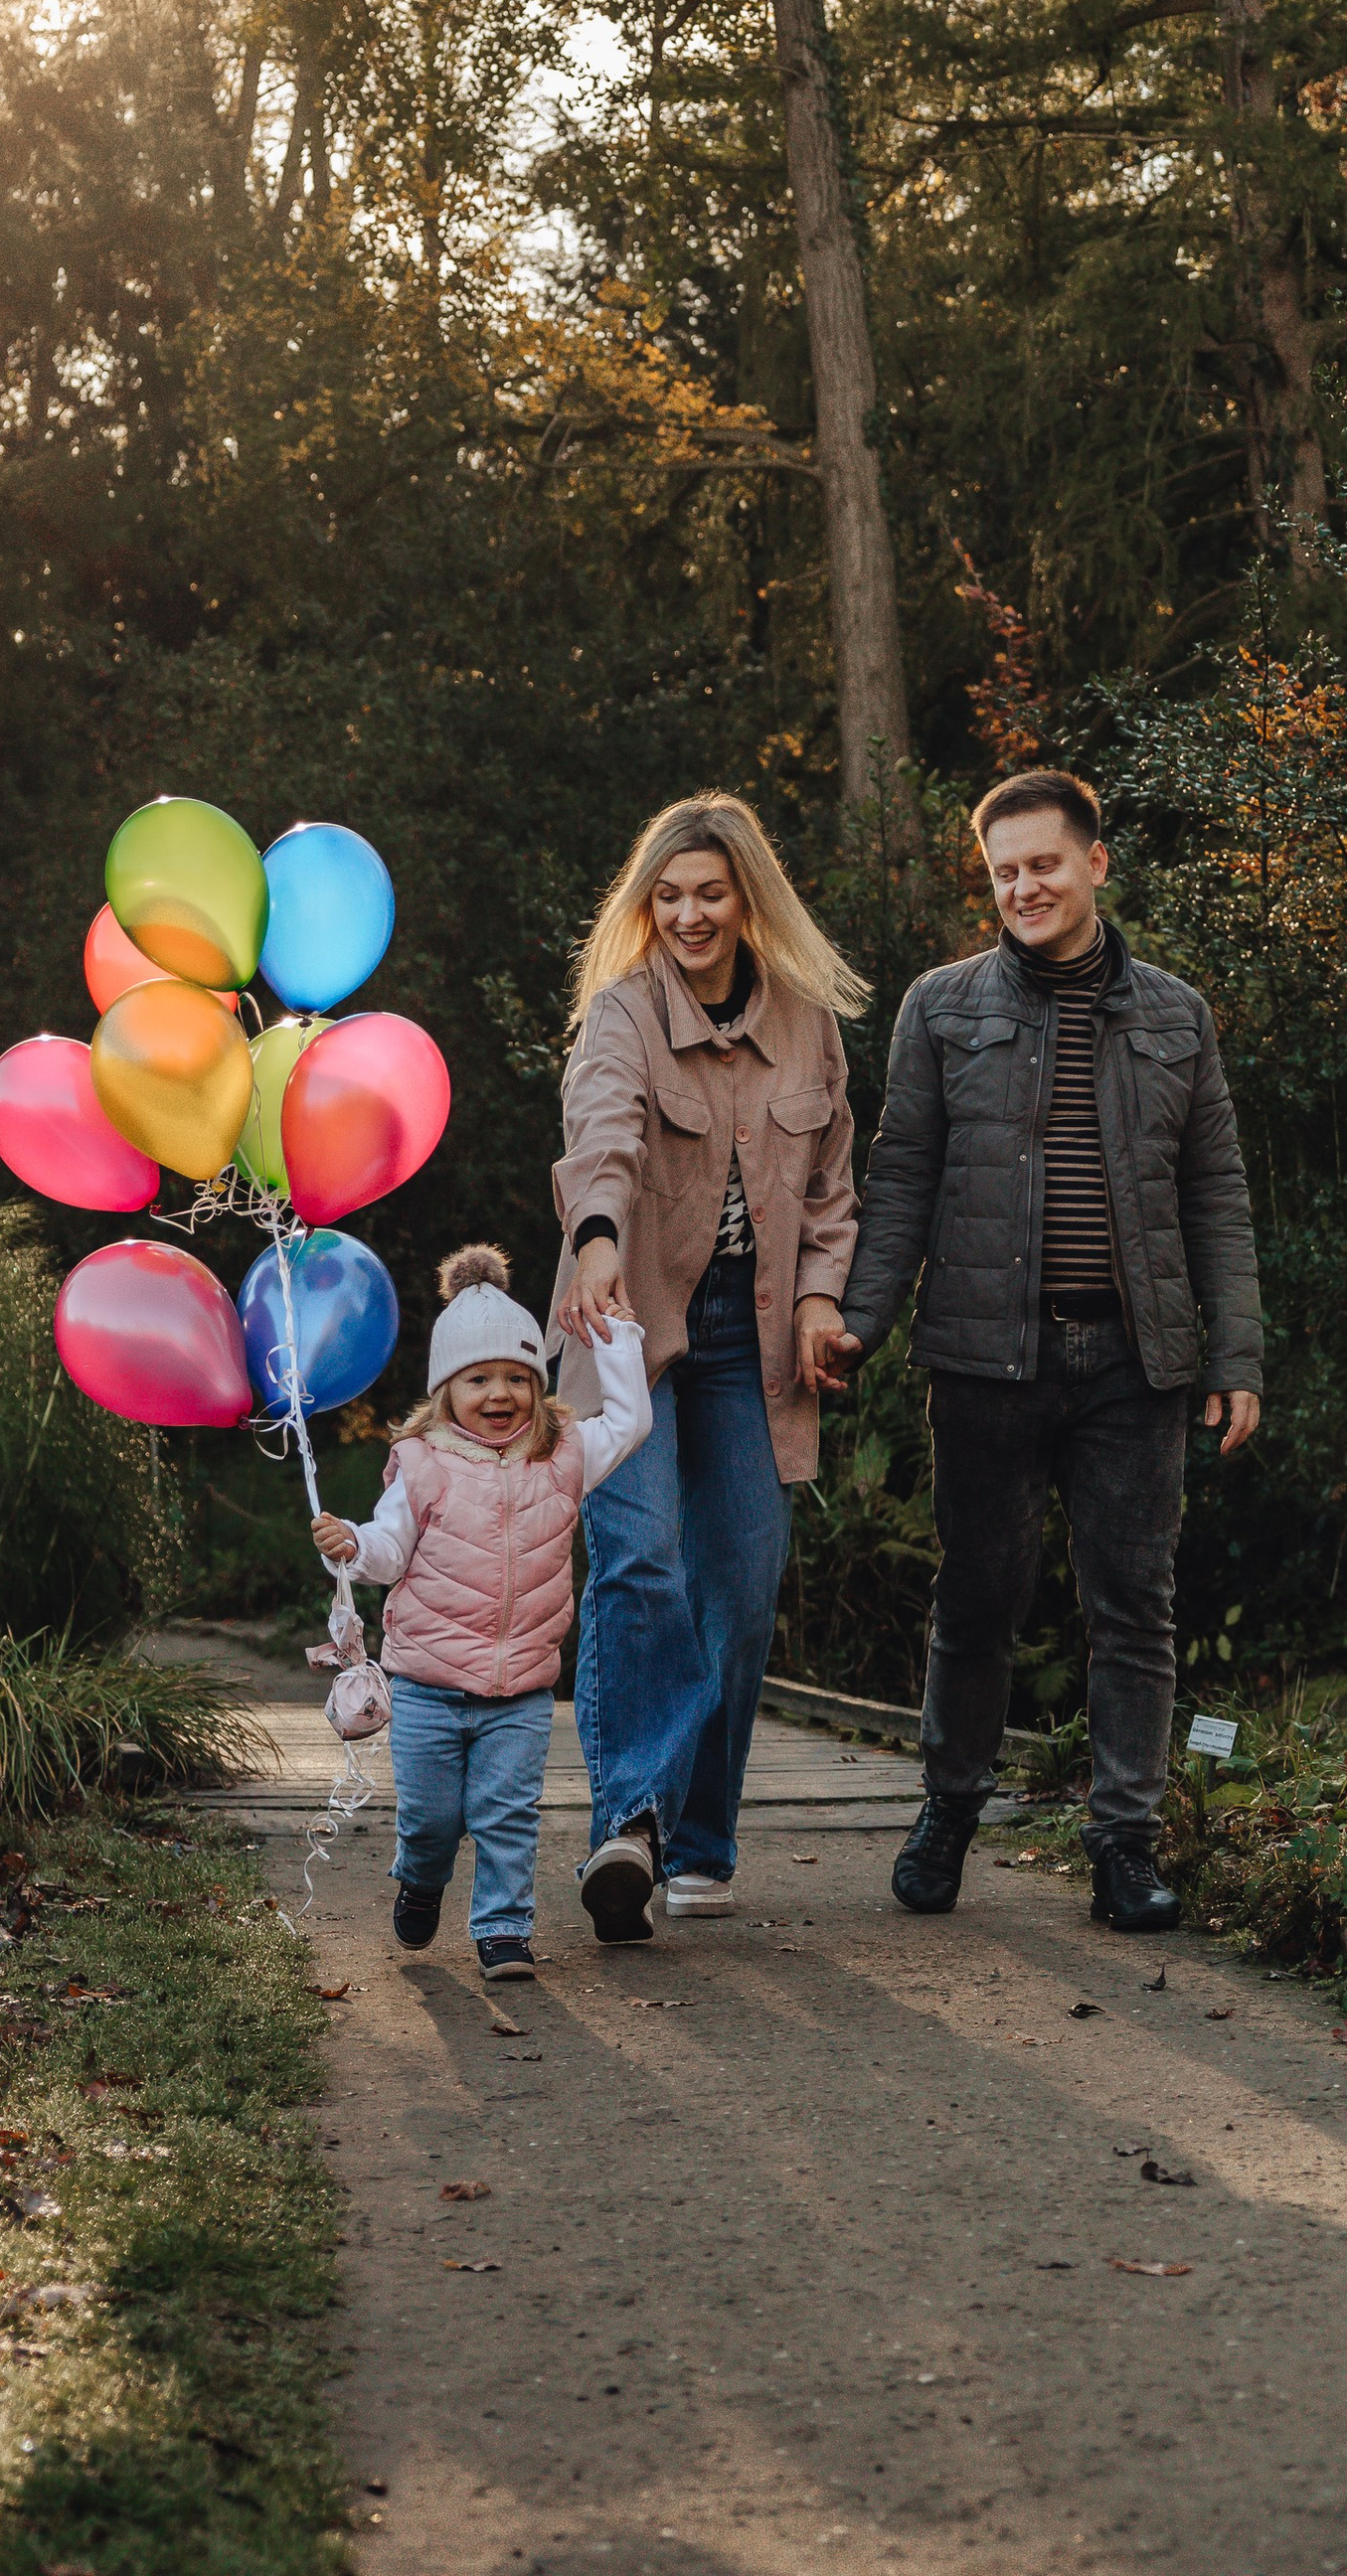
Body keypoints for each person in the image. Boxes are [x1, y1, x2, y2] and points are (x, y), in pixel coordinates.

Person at [829, 767, 1263, 1936]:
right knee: (977, 1597)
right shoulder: (942, 1007)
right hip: (982, 1354)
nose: (1023, 885)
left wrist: (1237, 1357)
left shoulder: (1176, 1015)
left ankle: (1124, 1843)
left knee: (1133, 1608)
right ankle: (948, 1813)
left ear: (1095, 865)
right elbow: (902, 1176)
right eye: (1004, 871)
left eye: (1043, 864)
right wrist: (860, 1321)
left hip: (1136, 1361)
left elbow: (1214, 1192)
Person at [552, 793, 864, 1944]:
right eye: (666, 895)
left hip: (756, 1331)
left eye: (709, 893)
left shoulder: (806, 1024)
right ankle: (624, 1826)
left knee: (738, 1584)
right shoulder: (621, 1014)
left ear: (747, 902)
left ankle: (701, 1840)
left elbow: (830, 1188)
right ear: (648, 907)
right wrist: (592, 1248)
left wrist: (824, 1307)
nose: (687, 913)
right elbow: (603, 1136)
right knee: (641, 1558)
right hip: (622, 1317)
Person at [314, 1244, 650, 1988]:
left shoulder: (565, 1456)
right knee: (432, 1820)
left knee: (506, 1816)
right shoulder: (423, 1462)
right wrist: (352, 1546)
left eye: (515, 1377)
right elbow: (389, 1548)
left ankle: (503, 1930)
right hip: (429, 1687)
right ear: (445, 1390)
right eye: (477, 1378)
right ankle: (422, 1878)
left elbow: (629, 1423)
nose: (498, 1393)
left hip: (521, 1693)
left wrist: (618, 1339)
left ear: (536, 1383)